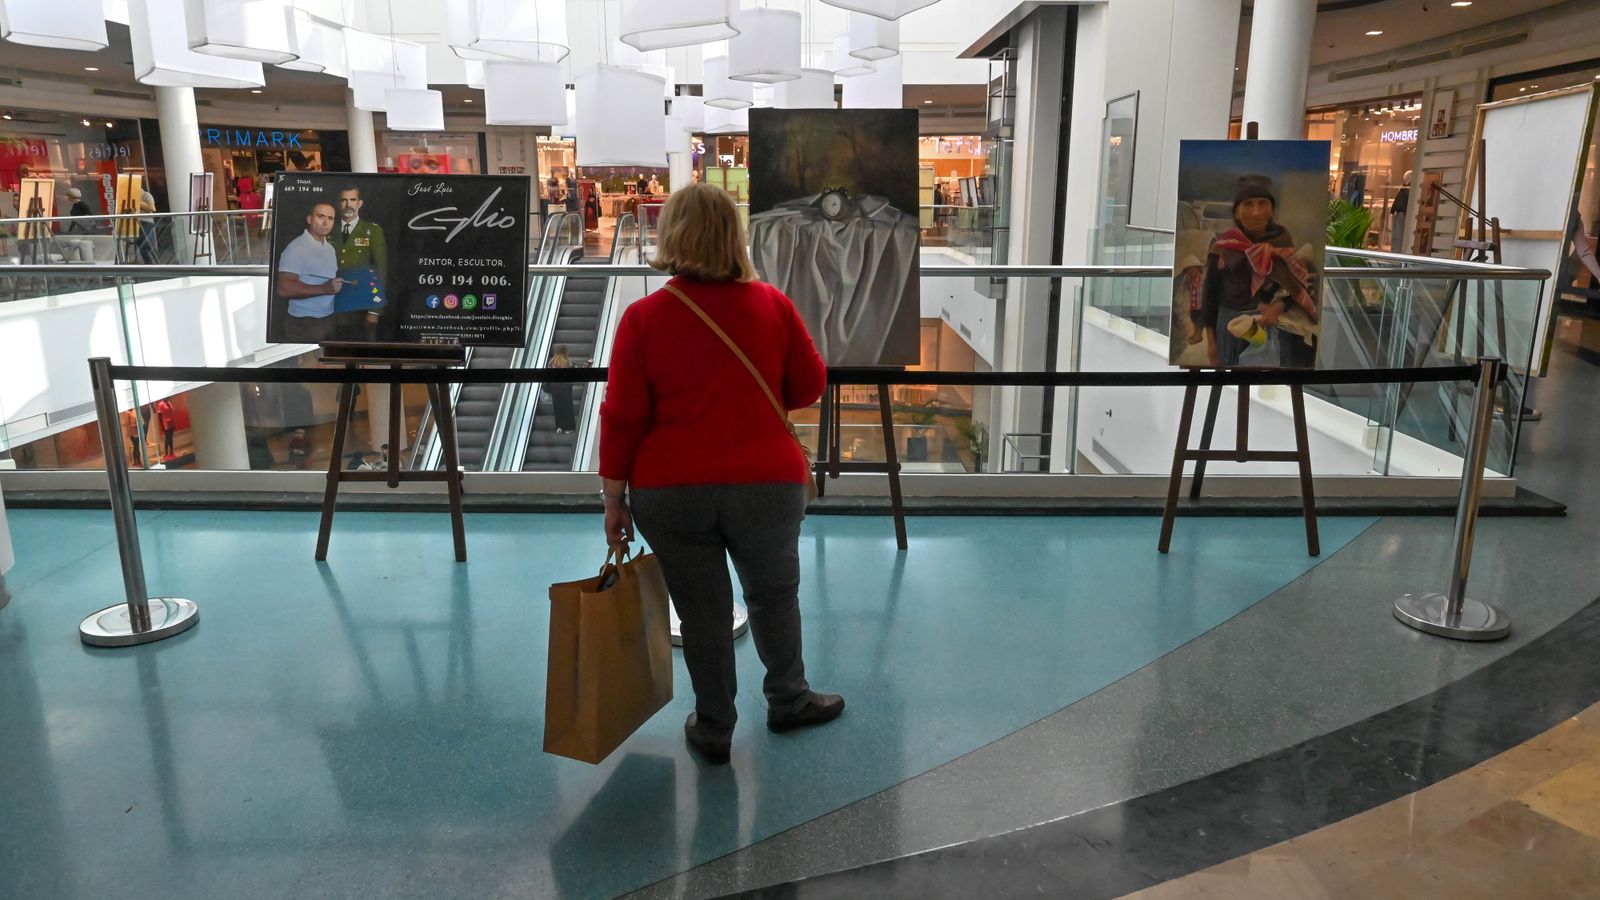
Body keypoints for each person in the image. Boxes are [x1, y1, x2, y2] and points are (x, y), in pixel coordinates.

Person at [599, 182, 841, 766]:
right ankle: (788, 699)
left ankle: (714, 727)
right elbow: (808, 387)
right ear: (735, 236)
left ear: (670, 234)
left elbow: (622, 415)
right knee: (774, 595)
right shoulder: (773, 305)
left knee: (702, 611)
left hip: (670, 488)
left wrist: (612, 498)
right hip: (766, 482)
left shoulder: (643, 317)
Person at [1197, 174, 1318, 369]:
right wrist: (1211, 343)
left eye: (1263, 203)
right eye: (1248, 204)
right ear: (1237, 212)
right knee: (1228, 380)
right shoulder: (1223, 247)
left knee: (1263, 381)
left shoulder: (1281, 241)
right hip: (1229, 326)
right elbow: (1209, 296)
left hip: (1266, 326)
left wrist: (1276, 307)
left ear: (1272, 209)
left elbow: (1295, 287)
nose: (1256, 212)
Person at [274, 200, 343, 344]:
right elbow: (283, 288)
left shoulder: (329, 248)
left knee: (327, 364)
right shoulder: (296, 247)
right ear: (309, 219)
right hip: (304, 322)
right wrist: (325, 288)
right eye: (320, 216)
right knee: (311, 365)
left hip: (327, 317)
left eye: (330, 218)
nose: (325, 223)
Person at [332, 185, 388, 340]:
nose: (348, 204)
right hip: (335, 304)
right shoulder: (330, 230)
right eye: (344, 200)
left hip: (363, 303)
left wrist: (375, 310)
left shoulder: (372, 230)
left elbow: (381, 270)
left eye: (352, 200)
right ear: (339, 203)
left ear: (360, 203)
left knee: (364, 351)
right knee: (339, 353)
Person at [547, 344, 579, 434]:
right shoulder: (568, 363)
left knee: (557, 407)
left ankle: (559, 427)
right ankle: (569, 427)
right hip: (566, 388)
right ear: (565, 352)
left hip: (555, 388)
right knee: (567, 407)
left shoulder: (551, 363)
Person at [1389, 171, 1412, 254]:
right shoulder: (1404, 188)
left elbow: (1402, 202)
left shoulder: (1409, 189)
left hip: (1401, 213)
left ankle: (1397, 252)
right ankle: (1394, 251)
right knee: (1395, 235)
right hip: (1398, 213)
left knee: (1398, 235)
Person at [137, 184, 159, 264]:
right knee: (141, 246)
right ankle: (148, 264)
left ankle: (158, 262)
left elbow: (152, 208)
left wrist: (139, 203)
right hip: (137, 223)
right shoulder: (132, 195)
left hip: (146, 222)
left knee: (149, 243)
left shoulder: (146, 195)